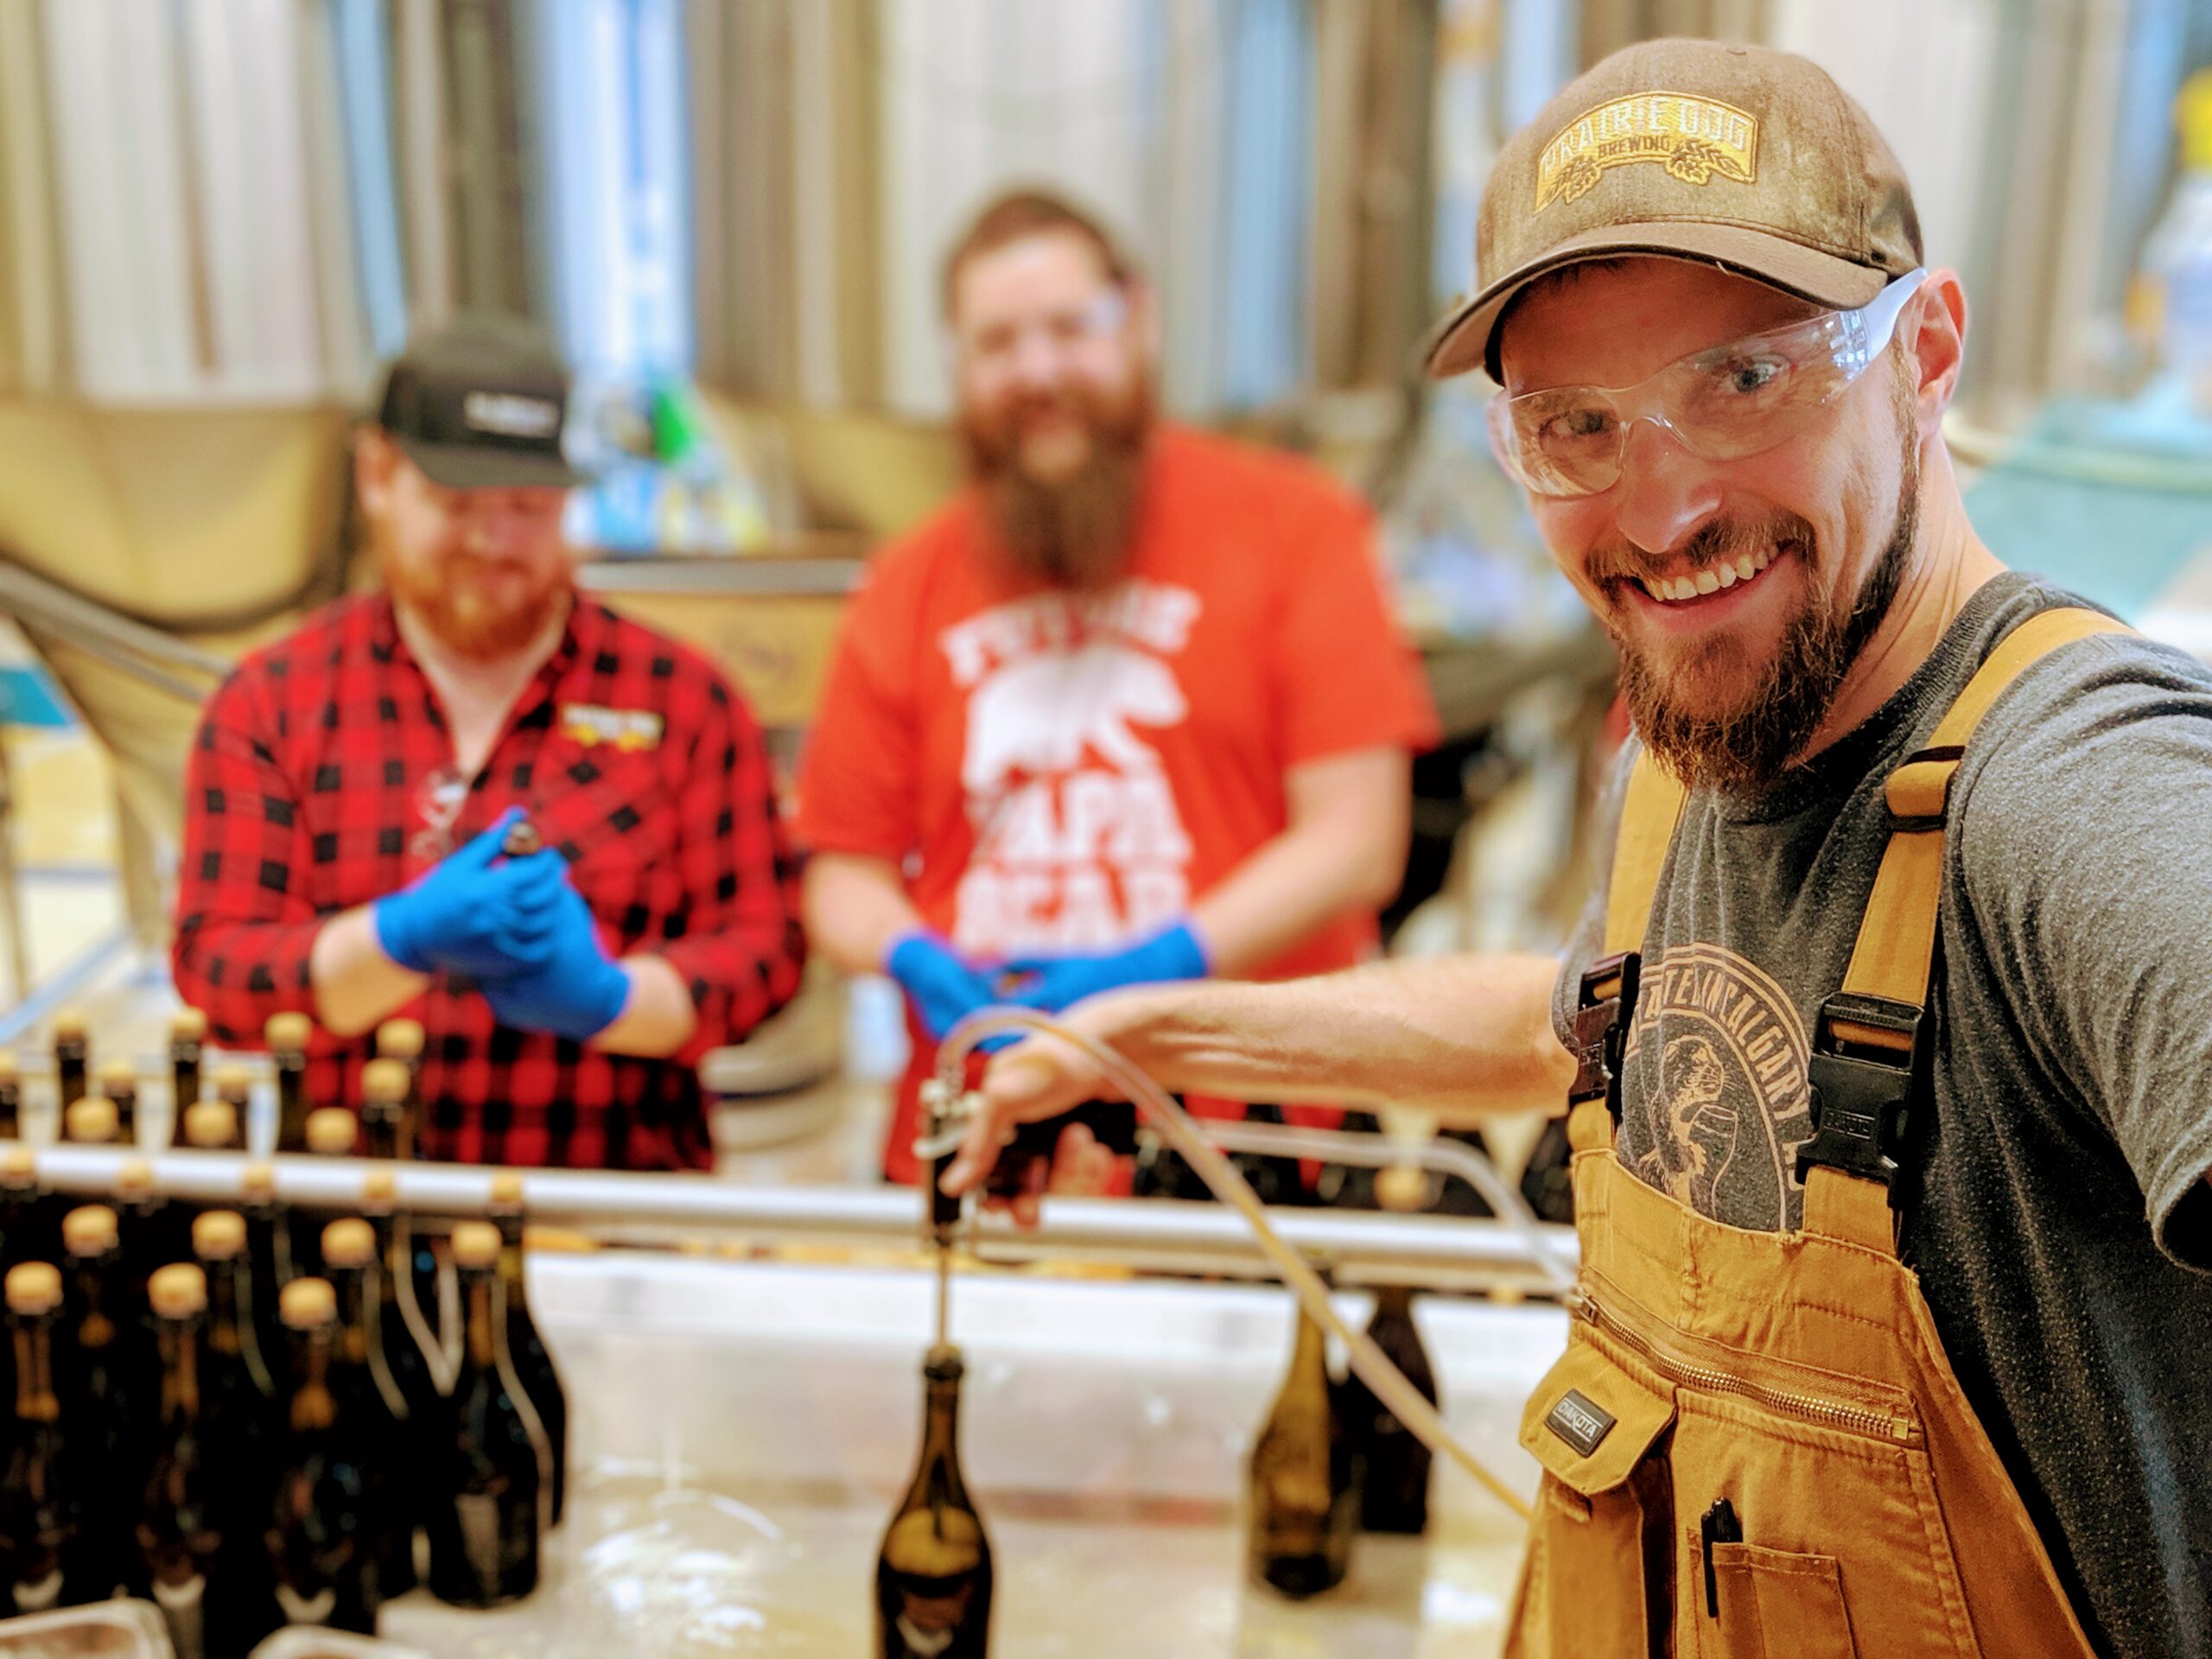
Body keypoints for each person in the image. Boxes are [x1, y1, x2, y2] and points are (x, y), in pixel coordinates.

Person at [945, 40, 2212, 1659]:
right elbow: (1590, 1023)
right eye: (1576, 424)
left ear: (1927, 353)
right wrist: (1146, 1041)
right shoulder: (1700, 745)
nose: (1661, 506)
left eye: (1746, 378)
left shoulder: (2078, 785)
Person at [796, 189, 1438, 1188]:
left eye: (1068, 328)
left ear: (1136, 321)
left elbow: (1357, 841)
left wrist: (1161, 968)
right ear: (959, 367)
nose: (1038, 370)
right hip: (981, 1137)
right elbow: (842, 875)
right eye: (998, 343)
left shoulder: (1298, 528)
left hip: (1243, 1141)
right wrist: (917, 959)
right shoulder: (906, 581)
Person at [173, 314, 805, 1170]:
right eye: (458, 503)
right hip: (361, 1218)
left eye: (527, 507)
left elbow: (763, 951)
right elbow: (217, 968)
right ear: (378, 476)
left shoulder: (682, 702)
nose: (493, 541)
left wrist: (612, 1000)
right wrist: (389, 942)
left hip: (616, 1212)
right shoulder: (271, 706)